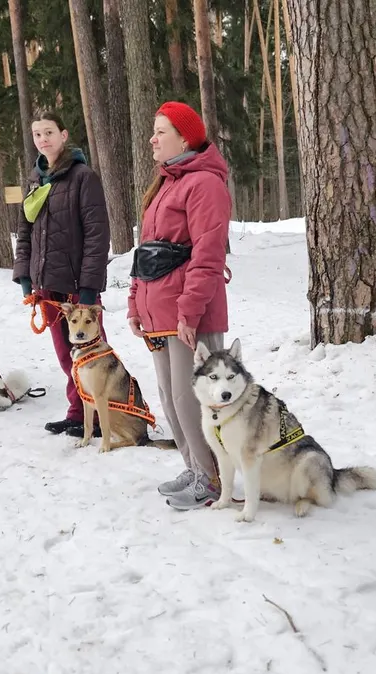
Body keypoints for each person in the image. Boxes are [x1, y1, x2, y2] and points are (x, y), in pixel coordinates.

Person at [128, 101, 232, 511]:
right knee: (171, 396)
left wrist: (190, 311)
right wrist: (135, 302)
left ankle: (211, 476)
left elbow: (208, 255)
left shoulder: (204, 184)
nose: (152, 139)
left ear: (185, 138)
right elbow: (146, 252)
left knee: (194, 398)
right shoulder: (165, 183)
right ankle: (194, 468)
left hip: (190, 313)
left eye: (161, 131)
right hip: (160, 309)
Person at [13, 112, 112, 436]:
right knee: (65, 354)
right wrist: (26, 276)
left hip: (75, 287)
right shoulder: (35, 180)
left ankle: (105, 415)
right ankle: (78, 411)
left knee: (93, 354)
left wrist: (88, 288)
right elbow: (25, 231)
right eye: (37, 134)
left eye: (49, 132)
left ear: (64, 135)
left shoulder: (83, 177)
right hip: (47, 286)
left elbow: (97, 235)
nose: (43, 139)